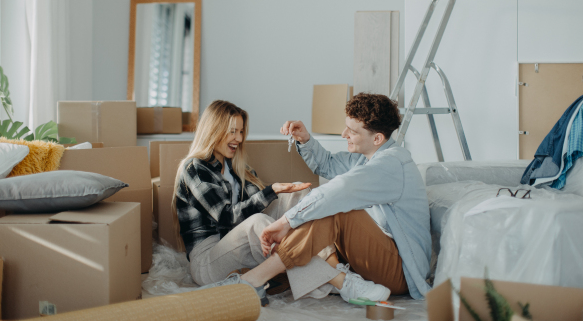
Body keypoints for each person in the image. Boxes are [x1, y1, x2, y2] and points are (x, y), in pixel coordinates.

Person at [201, 93, 432, 302]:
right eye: (346, 127)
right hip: (379, 255)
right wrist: (304, 139)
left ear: (377, 139)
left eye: (352, 131)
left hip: (402, 271)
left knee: (337, 209)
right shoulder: (366, 157)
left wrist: (286, 222)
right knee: (322, 207)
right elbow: (329, 164)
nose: (344, 135)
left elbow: (338, 190)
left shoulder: (392, 165)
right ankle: (333, 277)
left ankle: (252, 281)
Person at [172, 100, 311, 306]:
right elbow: (227, 217)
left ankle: (314, 256)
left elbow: (258, 206)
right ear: (213, 131)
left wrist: (280, 194)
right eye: (232, 131)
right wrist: (270, 190)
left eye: (241, 131)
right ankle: (330, 278)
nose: (238, 138)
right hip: (208, 260)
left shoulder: (237, 166)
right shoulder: (195, 169)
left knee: (299, 192)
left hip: (236, 244)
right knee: (258, 221)